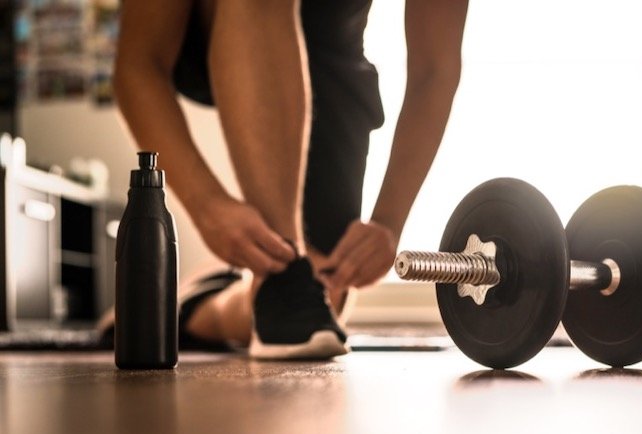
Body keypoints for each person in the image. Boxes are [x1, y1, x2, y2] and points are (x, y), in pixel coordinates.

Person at [112, 0, 469, 358]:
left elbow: (434, 69)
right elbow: (139, 63)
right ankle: (282, 274)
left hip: (331, 57)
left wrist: (388, 222)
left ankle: (198, 301)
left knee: (325, 292)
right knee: (291, 299)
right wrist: (206, 204)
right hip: (209, 25)